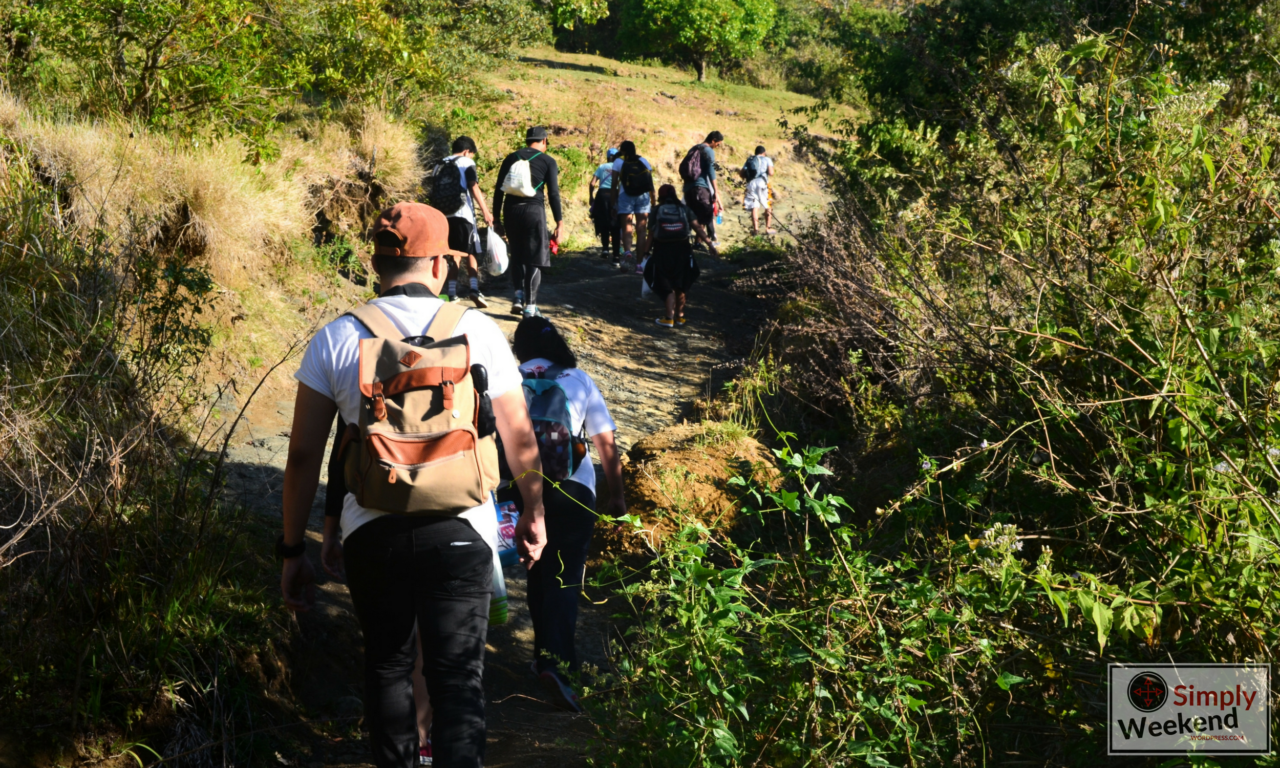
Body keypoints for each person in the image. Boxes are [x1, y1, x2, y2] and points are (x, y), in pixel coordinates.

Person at [279, 201, 548, 768]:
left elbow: (304, 455)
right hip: (463, 528)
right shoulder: (478, 331)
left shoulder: (337, 337)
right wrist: (534, 510)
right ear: (440, 266)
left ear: (377, 264)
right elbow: (519, 433)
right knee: (458, 680)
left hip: (371, 531)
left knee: (386, 667)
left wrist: (292, 548)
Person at [511, 316, 626, 712]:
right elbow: (606, 444)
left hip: (523, 487)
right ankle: (559, 666)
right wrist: (617, 497)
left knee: (536, 569)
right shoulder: (579, 379)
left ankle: (544, 656)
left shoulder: (510, 378)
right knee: (564, 575)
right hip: (574, 490)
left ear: (519, 348)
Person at [493, 126, 563, 318]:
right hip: (533, 211)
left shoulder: (511, 158)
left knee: (517, 253)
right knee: (535, 258)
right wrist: (559, 222)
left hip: (511, 210)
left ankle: (517, 296)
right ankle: (531, 306)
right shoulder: (548, 161)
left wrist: (496, 218)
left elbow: (499, 190)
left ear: (527, 140)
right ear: (544, 141)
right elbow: (554, 194)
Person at [435, 136, 494, 307]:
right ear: (467, 151)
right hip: (463, 213)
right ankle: (474, 289)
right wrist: (486, 211)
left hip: (443, 214)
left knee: (453, 253)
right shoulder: (466, 163)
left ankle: (452, 293)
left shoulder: (440, 164)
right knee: (471, 251)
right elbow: (473, 186)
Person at [641, 184, 705, 327]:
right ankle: (680, 317)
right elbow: (697, 227)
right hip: (682, 249)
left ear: (660, 196)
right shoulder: (684, 209)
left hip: (662, 250)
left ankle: (669, 317)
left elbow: (650, 234)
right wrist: (710, 243)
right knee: (681, 284)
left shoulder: (656, 210)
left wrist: (645, 253)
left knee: (665, 283)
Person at [610, 140, 655, 273]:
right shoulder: (643, 161)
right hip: (643, 196)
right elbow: (650, 184)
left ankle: (628, 252)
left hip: (626, 196)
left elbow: (614, 185)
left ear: (622, 150)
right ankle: (639, 265)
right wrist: (653, 202)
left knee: (627, 228)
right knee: (641, 230)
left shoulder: (618, 162)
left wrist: (613, 204)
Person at [681, 131, 723, 249]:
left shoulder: (693, 148)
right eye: (718, 144)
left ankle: (688, 242)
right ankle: (698, 243)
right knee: (704, 215)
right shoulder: (708, 150)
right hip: (700, 187)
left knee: (691, 215)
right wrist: (716, 191)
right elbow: (711, 172)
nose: (717, 146)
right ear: (713, 140)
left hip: (688, 188)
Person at [588, 147, 621, 263]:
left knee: (603, 222)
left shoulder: (602, 167)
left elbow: (592, 183)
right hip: (615, 194)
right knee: (616, 224)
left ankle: (605, 249)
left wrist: (591, 197)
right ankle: (616, 255)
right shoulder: (620, 167)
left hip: (602, 195)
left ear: (607, 157)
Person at [742, 145, 776, 236]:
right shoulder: (767, 159)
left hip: (751, 184)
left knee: (754, 206)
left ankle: (755, 230)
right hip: (762, 183)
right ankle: (768, 228)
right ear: (764, 153)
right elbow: (771, 173)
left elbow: (741, 173)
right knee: (767, 205)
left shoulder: (750, 159)